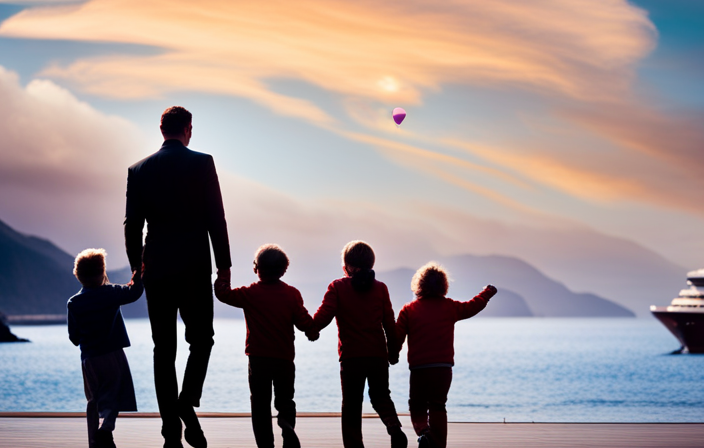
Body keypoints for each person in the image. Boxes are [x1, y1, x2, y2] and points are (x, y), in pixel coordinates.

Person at [124, 106, 232, 448]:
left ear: (160, 129)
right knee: (202, 341)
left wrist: (135, 268)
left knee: (163, 350)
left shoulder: (138, 169)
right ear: (188, 129)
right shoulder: (202, 163)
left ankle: (170, 430)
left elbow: (132, 227)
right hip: (194, 266)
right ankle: (186, 402)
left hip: (156, 267)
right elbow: (217, 218)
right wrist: (224, 267)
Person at [214, 244, 317, 448]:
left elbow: (223, 294)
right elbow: (304, 321)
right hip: (285, 359)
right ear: (283, 270)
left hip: (258, 358)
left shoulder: (251, 293)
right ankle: (287, 427)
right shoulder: (292, 294)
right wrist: (312, 332)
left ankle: (265, 444)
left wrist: (223, 274)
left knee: (260, 404)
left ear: (257, 268)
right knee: (286, 400)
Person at [310, 240, 408, 448]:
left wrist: (312, 329)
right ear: (371, 264)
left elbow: (324, 315)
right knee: (381, 396)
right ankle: (394, 428)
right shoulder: (381, 288)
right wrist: (394, 352)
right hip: (377, 355)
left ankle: (354, 446)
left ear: (348, 267)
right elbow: (389, 323)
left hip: (351, 357)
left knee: (352, 405)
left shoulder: (337, 287)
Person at [395, 262, 497, 448]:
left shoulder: (408, 310)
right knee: (438, 406)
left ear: (419, 284)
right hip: (443, 369)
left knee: (417, 405)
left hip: (419, 369)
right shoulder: (450, 307)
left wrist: (392, 355)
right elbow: (472, 307)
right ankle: (438, 444)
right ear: (443, 285)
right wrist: (487, 293)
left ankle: (424, 434)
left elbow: (397, 338)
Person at [67, 248, 143, 448]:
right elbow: (135, 293)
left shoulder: (74, 303)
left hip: (89, 359)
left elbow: (73, 337)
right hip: (112, 354)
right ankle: (106, 428)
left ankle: (94, 441)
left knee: (93, 399)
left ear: (78, 275)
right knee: (113, 393)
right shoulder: (111, 293)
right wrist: (138, 273)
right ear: (103, 273)